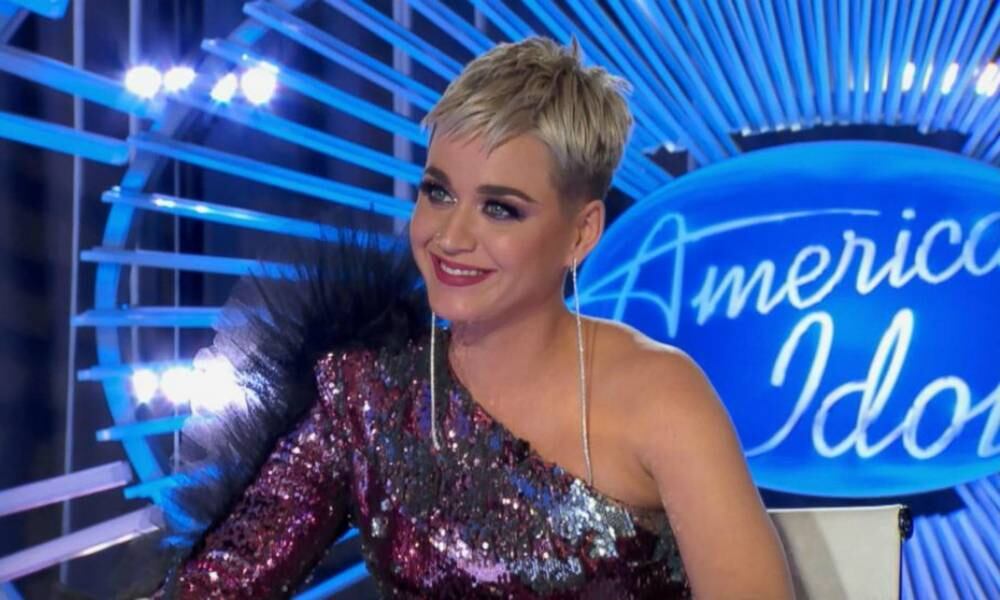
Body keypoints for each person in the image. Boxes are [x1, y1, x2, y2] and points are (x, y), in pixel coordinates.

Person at [153, 37, 793, 598]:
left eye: (500, 209)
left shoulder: (662, 396)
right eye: (438, 192)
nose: (451, 237)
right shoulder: (366, 397)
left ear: (581, 233)